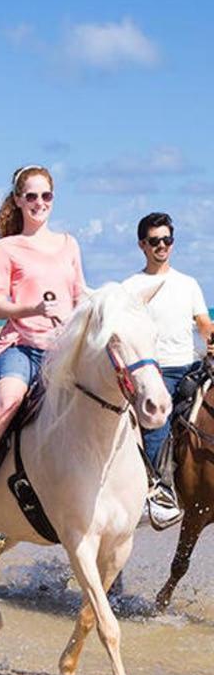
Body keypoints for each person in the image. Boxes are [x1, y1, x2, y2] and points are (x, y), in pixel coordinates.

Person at [0, 165, 87, 533]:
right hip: (20, 346)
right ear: (18, 200)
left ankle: (143, 486)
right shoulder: (6, 248)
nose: (39, 203)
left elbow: (80, 295)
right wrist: (34, 309)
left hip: (62, 350)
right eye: (31, 196)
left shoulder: (69, 244)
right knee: (9, 400)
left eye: (46, 196)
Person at [120, 212, 214, 528]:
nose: (162, 246)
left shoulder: (187, 284)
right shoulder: (132, 286)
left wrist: (211, 339)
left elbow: (202, 322)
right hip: (154, 374)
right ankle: (160, 490)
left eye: (167, 240)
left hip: (191, 368)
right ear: (142, 245)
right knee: (158, 424)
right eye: (155, 241)